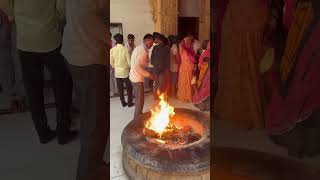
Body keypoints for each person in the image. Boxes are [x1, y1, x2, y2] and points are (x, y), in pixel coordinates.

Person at [9, 0, 75, 144]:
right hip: (50, 37)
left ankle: (43, 133)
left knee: (33, 90)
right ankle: (63, 132)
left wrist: (14, 15)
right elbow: (61, 6)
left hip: (25, 40)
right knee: (62, 85)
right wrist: (57, 18)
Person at [265, 0, 320, 158]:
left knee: (300, 87)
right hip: (310, 32)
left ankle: (300, 145)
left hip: (307, 36)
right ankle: (310, 144)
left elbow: (288, 19)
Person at [61, 0, 109, 179]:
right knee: (95, 121)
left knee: (91, 115)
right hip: (88, 60)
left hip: (76, 50)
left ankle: (92, 165)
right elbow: (88, 17)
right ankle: (89, 171)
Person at [214, 0, 269, 130]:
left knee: (240, 64)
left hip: (242, 13)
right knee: (249, 65)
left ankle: (240, 113)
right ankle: (250, 113)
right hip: (248, 13)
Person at [0, 8, 26, 112]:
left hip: (19, 15)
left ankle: (20, 95)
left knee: (19, 56)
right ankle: (11, 95)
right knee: (3, 59)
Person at [130, 34, 156, 119]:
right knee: (139, 100)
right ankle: (137, 119)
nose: (152, 45)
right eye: (151, 43)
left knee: (139, 99)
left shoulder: (139, 48)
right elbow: (138, 67)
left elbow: (140, 63)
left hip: (134, 76)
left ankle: (138, 115)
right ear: (147, 40)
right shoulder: (142, 51)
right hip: (137, 78)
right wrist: (149, 75)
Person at [110, 33, 133, 107]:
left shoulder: (112, 50)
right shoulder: (125, 49)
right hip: (125, 72)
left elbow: (111, 62)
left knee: (120, 89)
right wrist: (130, 68)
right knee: (129, 88)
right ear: (122, 40)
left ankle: (123, 103)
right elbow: (129, 62)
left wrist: (115, 67)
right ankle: (129, 103)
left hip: (117, 72)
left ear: (116, 41)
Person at [177, 35, 196, 102]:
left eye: (190, 42)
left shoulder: (191, 49)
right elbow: (180, 44)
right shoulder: (182, 49)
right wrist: (186, 38)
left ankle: (189, 96)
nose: (188, 43)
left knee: (189, 83)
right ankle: (184, 97)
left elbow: (194, 60)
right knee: (183, 83)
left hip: (190, 69)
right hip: (184, 68)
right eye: (187, 41)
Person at [193, 41, 210, 111]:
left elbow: (200, 65)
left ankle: (202, 106)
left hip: (204, 75)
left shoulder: (204, 53)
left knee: (202, 89)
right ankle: (207, 107)